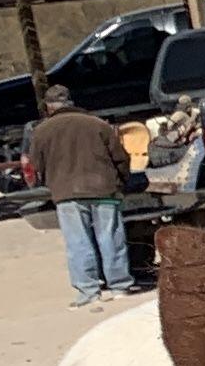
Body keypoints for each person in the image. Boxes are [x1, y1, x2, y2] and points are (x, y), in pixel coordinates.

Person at [29, 81, 136, 304]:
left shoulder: (41, 131)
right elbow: (121, 158)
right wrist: (122, 181)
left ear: (49, 107)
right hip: (105, 189)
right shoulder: (98, 125)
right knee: (111, 238)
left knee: (78, 242)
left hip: (66, 194)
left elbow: (36, 165)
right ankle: (120, 287)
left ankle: (88, 292)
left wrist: (51, 184)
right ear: (71, 102)